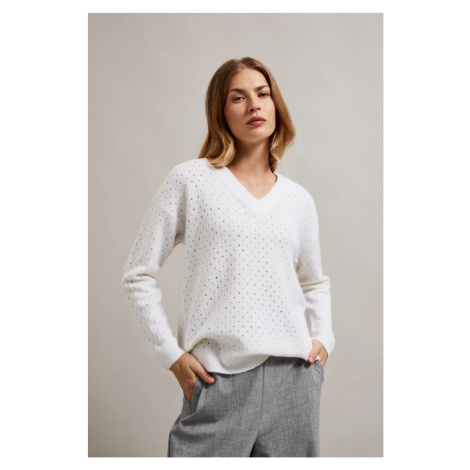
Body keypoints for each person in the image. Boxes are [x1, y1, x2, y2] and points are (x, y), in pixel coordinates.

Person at [121, 57, 335, 457]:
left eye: (262, 94)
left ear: (275, 105)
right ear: (220, 112)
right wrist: (171, 355)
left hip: (294, 379)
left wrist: (324, 336)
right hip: (217, 380)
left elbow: (313, 281)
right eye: (238, 97)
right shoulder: (191, 180)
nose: (254, 105)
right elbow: (137, 273)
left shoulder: (298, 200)